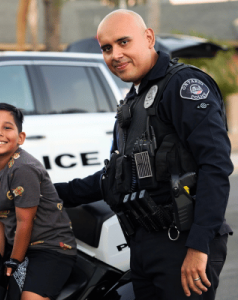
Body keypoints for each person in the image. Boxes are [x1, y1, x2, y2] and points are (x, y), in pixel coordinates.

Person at [54, 9, 233, 300]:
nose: (116, 54)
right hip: (144, 245)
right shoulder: (132, 103)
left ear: (148, 37)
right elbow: (114, 178)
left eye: (124, 42)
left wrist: (199, 246)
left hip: (183, 243)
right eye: (107, 48)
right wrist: (53, 194)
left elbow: (215, 165)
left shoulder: (183, 86)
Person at [0, 103, 76, 300]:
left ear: (21, 137)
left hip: (51, 247)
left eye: (7, 127)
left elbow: (25, 222)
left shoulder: (23, 169)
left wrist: (14, 262)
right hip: (19, 243)